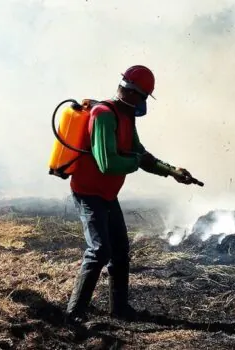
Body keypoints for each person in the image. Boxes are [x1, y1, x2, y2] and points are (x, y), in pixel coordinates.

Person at [65, 65, 197, 324]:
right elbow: (108, 164)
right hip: (89, 193)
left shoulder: (126, 116)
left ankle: (120, 309)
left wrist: (172, 171)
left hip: (107, 194)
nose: (144, 103)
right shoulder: (103, 115)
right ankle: (73, 315)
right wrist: (135, 161)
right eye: (144, 97)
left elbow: (140, 153)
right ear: (134, 93)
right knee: (99, 251)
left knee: (120, 252)